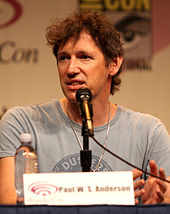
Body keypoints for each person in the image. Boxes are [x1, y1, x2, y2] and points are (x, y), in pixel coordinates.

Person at [0, 9, 170, 205]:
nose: (71, 69)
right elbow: (8, 201)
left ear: (114, 63)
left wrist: (155, 204)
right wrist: (106, 194)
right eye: (64, 58)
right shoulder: (22, 123)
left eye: (84, 57)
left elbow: (166, 198)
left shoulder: (149, 132)